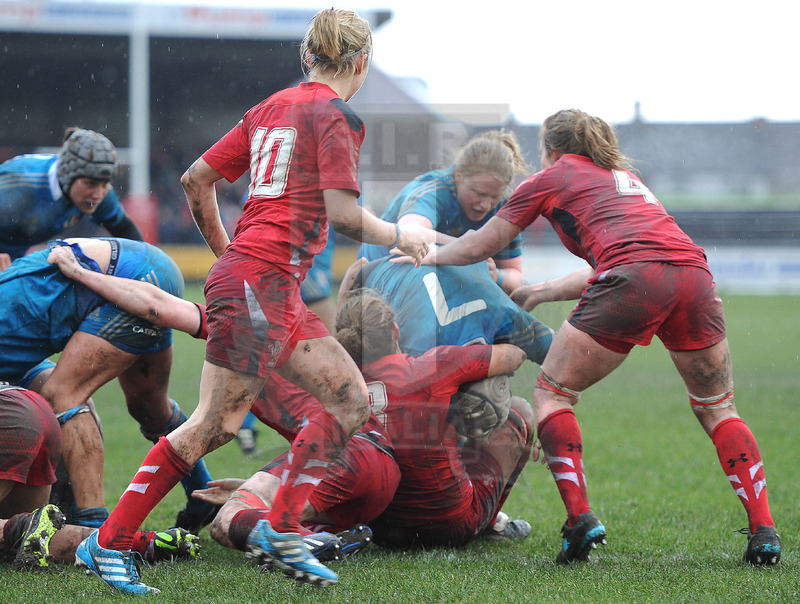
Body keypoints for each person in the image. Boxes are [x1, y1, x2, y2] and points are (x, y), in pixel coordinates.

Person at [74, 8, 429, 594]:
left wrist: (226, 254)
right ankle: (108, 543)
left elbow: (195, 179)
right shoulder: (337, 116)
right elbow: (343, 215)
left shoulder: (271, 108)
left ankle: (283, 528)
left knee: (348, 401)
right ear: (362, 62)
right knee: (214, 425)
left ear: (306, 57)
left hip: (268, 285)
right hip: (260, 283)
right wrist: (400, 235)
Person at [412, 108, 781, 566]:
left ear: (550, 149)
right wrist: (541, 291)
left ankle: (579, 519)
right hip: (695, 278)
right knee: (718, 407)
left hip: (635, 278)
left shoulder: (552, 175)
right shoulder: (622, 178)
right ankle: (764, 530)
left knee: (552, 394)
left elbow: (481, 244)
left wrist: (427, 254)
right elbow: (628, 256)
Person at [0, 238, 217, 533]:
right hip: (151, 265)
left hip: (127, 281)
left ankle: (96, 529)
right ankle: (202, 493)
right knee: (151, 409)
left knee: (61, 396)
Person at [334, 288, 535, 548]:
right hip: (451, 525)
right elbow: (514, 356)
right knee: (520, 410)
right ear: (396, 330)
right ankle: (491, 521)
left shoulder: (338, 385)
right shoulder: (434, 365)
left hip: (381, 528)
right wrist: (473, 353)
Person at [0, 385, 199, 570]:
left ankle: (25, 527)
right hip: (38, 410)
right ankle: (140, 543)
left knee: (17, 530)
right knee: (21, 540)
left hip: (8, 417)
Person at [360, 130, 528, 294]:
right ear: (459, 175)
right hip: (377, 270)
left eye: (495, 196)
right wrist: (471, 250)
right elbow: (409, 232)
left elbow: (516, 277)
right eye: (479, 193)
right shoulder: (434, 190)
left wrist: (495, 275)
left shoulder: (504, 205)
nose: (485, 204)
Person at [343, 256, 553, 363]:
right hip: (378, 276)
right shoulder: (418, 350)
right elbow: (555, 353)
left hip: (384, 270)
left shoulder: (505, 313)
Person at [0, 128, 143, 270]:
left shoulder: (99, 193)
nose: (98, 194)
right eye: (91, 184)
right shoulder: (18, 185)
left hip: (13, 257)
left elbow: (126, 231)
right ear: (64, 174)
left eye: (105, 184)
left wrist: (146, 267)